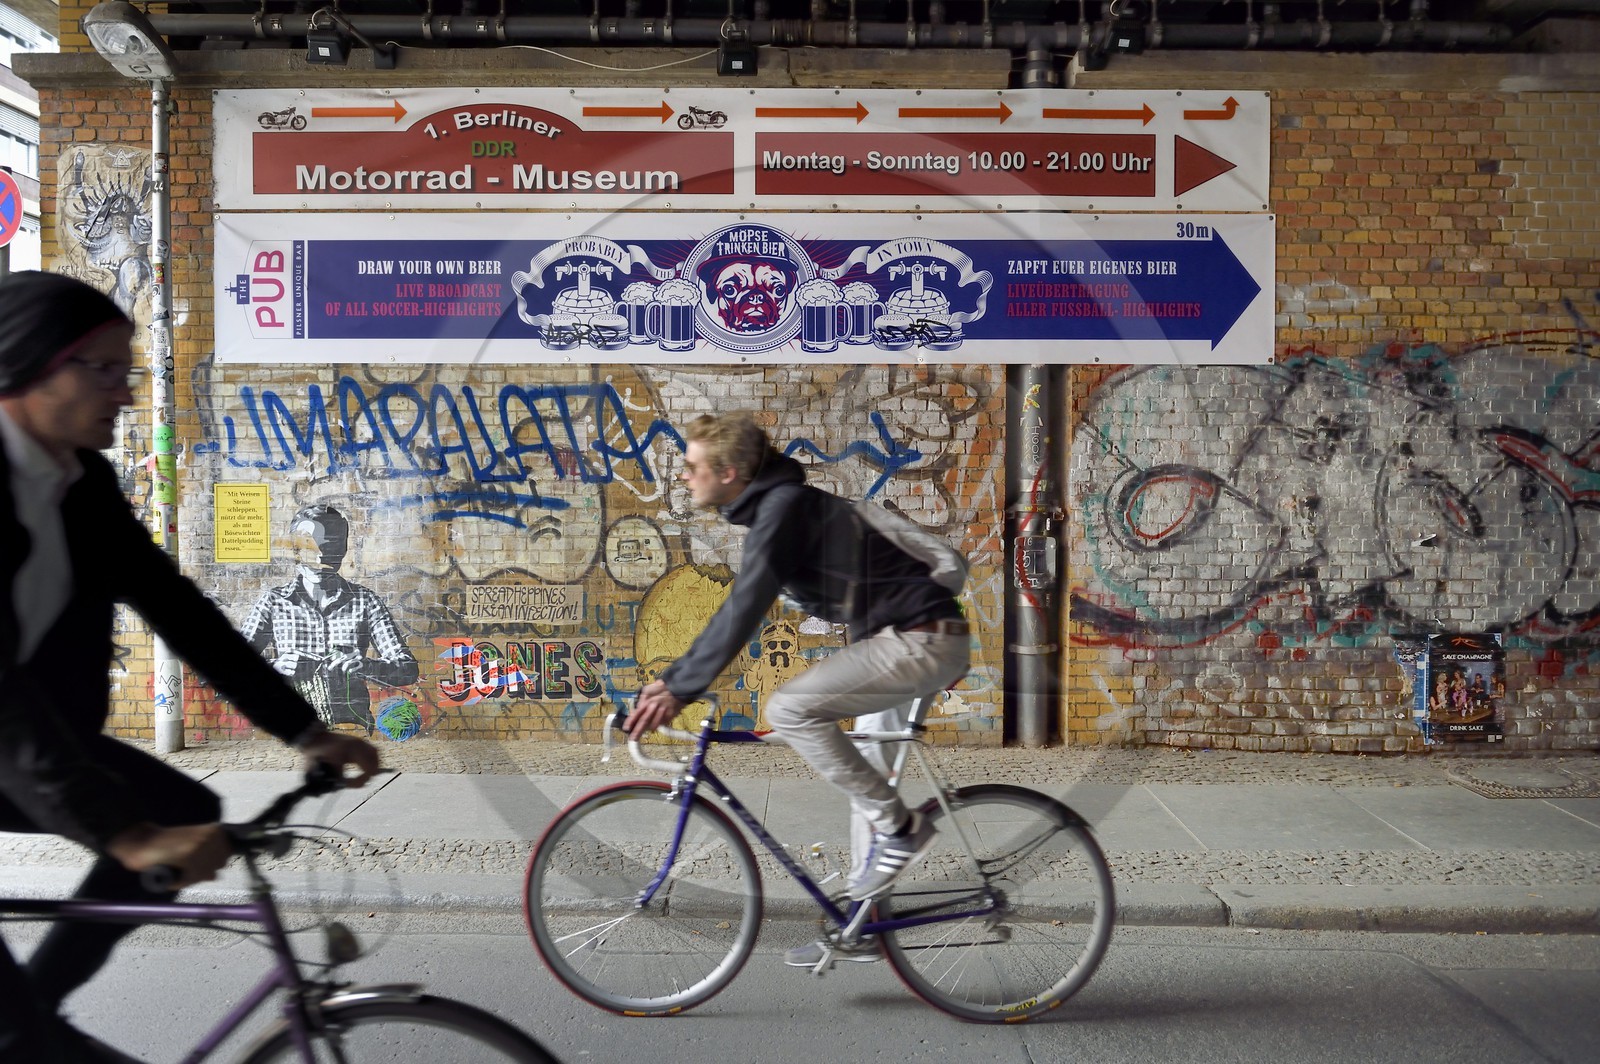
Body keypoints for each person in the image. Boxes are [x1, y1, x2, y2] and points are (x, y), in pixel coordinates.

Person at [0, 271, 380, 1064]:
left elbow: (177, 610)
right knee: (21, 1033)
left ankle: (35, 1008)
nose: (126, 394)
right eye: (102, 370)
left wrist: (304, 730)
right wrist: (125, 836)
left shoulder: (79, 482)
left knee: (181, 808)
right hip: (12, 738)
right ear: (28, 367)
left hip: (24, 743)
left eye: (126, 371)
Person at [627, 412, 969, 967]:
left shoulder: (784, 509)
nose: (685, 477)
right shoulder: (778, 508)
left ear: (730, 472)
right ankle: (864, 920)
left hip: (915, 640)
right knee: (866, 777)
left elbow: (744, 605)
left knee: (797, 715)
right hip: (900, 639)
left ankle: (890, 863)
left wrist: (679, 685)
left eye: (693, 467)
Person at [243, 503, 419, 733]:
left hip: (350, 729)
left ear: (343, 549)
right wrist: (274, 668)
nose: (319, 558)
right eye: (308, 546)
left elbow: (408, 669)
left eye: (330, 547)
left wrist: (365, 666)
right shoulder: (273, 602)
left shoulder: (365, 601)